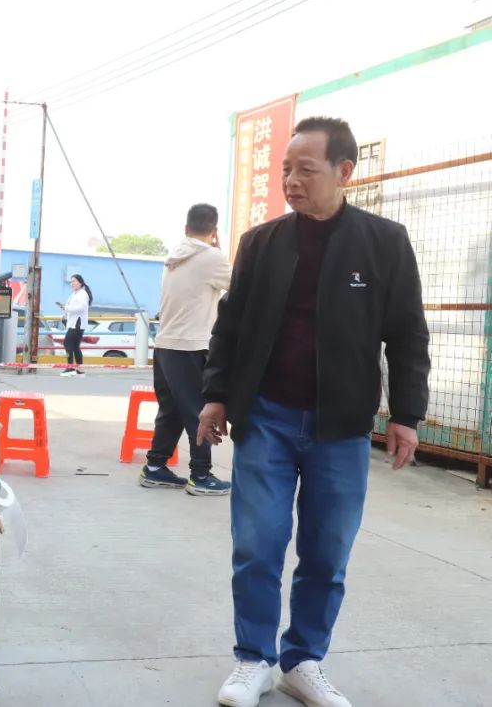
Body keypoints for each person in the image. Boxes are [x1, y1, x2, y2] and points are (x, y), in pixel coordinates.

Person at [202, 117, 429, 707]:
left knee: (327, 552)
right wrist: (216, 394)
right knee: (258, 543)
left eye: (305, 170)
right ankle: (253, 659)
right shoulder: (262, 242)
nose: (291, 181)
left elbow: (408, 335)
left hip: (343, 427)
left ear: (344, 171)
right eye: (285, 170)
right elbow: (229, 326)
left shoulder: (384, 242)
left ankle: (302, 661)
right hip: (267, 418)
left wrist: (406, 414)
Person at [140, 204, 232, 495]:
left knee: (171, 410)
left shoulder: (174, 256)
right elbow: (242, 285)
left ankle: (155, 467)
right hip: (190, 346)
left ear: (186, 228)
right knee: (197, 411)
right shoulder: (212, 257)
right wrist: (219, 251)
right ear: (214, 231)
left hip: (165, 346)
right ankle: (200, 475)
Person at [56, 274, 92, 376]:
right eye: (71, 282)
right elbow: (72, 307)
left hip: (77, 323)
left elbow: (81, 308)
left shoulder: (82, 294)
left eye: (74, 281)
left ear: (80, 283)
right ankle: (80, 370)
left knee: (67, 343)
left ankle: (70, 367)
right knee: (75, 346)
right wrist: (65, 308)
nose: (72, 283)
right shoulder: (74, 294)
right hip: (74, 323)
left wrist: (66, 308)